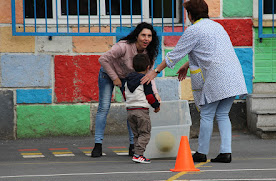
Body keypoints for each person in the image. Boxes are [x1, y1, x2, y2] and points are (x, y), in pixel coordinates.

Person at [141, 0, 248, 163]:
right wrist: (187, 64)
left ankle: (201, 152)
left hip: (217, 77)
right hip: (234, 76)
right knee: (223, 114)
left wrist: (155, 72)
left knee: (206, 113)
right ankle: (226, 152)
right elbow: (209, 51)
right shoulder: (217, 26)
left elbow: (174, 54)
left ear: (190, 15)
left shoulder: (194, 30)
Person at [91, 22, 161, 158]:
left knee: (133, 108)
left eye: (149, 36)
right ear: (137, 36)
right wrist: (115, 78)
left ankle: (132, 145)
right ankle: (97, 145)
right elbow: (103, 59)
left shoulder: (149, 53)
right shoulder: (123, 46)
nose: (146, 39)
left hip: (127, 78)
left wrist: (155, 93)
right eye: (143, 35)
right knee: (104, 107)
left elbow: (149, 75)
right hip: (108, 74)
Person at [124, 53, 160, 163]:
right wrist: (156, 105)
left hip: (130, 110)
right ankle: (138, 154)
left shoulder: (127, 80)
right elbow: (149, 96)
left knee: (136, 134)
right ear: (148, 67)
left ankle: (137, 153)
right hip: (141, 110)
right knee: (145, 133)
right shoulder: (145, 80)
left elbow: (125, 95)